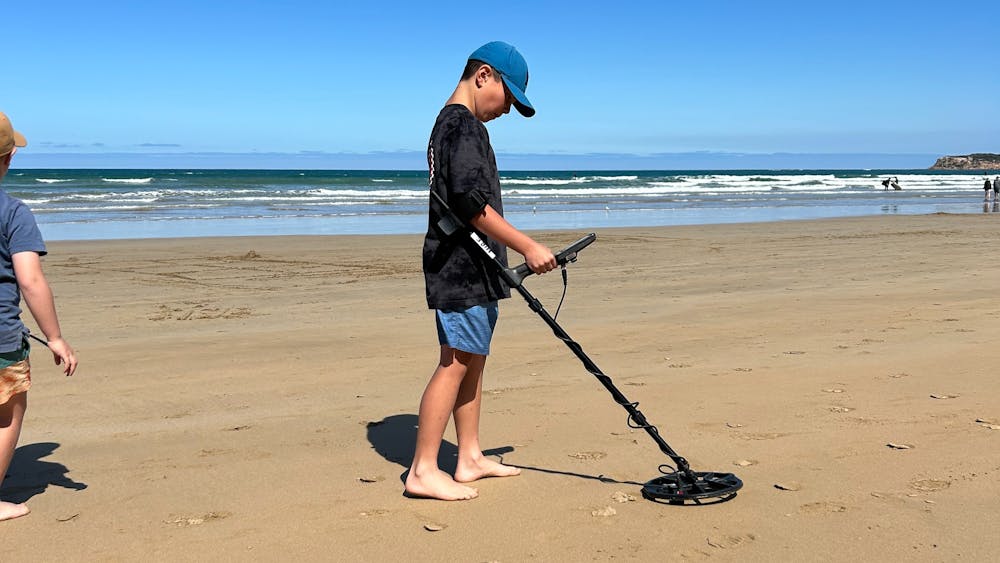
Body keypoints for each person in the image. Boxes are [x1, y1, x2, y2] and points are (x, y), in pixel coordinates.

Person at [406, 42, 556, 501]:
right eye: (508, 97)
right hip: (461, 268)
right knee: (454, 362)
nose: (508, 109)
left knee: (473, 360)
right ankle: (423, 469)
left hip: (475, 268)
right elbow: (471, 204)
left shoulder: (451, 125)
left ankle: (468, 456)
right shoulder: (461, 126)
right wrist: (527, 245)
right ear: (484, 75)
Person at [0, 111, 78, 521]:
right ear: (9, 157)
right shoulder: (13, 213)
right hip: (1, 339)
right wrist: (56, 337)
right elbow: (30, 281)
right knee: (8, 412)